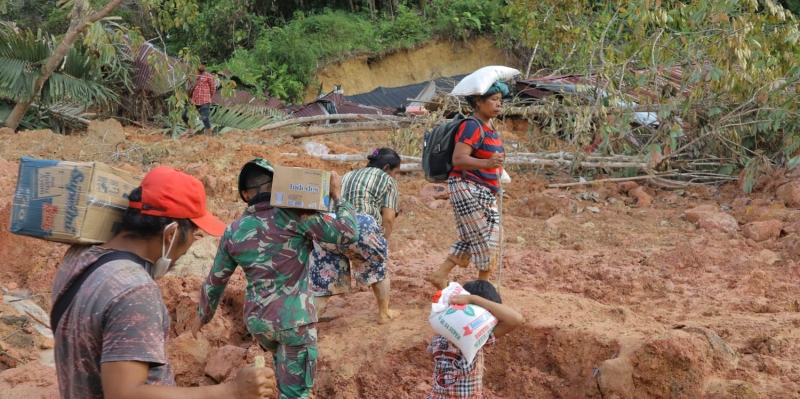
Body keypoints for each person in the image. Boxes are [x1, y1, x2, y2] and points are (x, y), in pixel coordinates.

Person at [51, 166, 274, 399]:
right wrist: (231, 391)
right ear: (172, 234)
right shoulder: (136, 292)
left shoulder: (79, 258)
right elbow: (123, 394)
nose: (189, 248)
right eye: (194, 235)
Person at [192, 158, 359, 399]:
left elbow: (216, 281)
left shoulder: (234, 230)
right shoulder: (297, 216)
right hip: (294, 322)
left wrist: (203, 316)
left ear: (245, 193)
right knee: (295, 394)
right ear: (279, 186)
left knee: (284, 381)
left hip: (260, 325)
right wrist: (338, 196)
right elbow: (348, 232)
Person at [426, 81, 508, 289]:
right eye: (494, 100)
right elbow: (459, 159)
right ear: (478, 102)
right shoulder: (471, 126)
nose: (499, 104)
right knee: (487, 235)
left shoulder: (490, 127)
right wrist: (487, 163)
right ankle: (484, 285)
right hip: (467, 187)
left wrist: (496, 169)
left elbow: (489, 158)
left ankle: (440, 274)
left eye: (500, 100)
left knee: (472, 235)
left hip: (482, 189)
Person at [310, 148, 401, 324]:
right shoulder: (387, 180)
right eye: (396, 172)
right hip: (361, 224)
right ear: (387, 167)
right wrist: (381, 242)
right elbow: (388, 219)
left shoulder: (347, 176)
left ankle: (308, 325)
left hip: (330, 227)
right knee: (378, 265)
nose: (395, 176)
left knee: (324, 281)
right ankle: (384, 313)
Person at [426, 280, 523, 399]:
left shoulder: (440, 336)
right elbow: (515, 319)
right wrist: (475, 299)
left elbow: (431, 356)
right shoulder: (476, 337)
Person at [182, 58, 216, 137]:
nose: (202, 66)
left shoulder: (208, 76)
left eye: (204, 65)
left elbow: (213, 88)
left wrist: (207, 96)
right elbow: (189, 86)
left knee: (204, 118)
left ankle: (209, 136)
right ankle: (190, 129)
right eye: (201, 64)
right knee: (184, 115)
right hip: (194, 100)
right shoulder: (192, 75)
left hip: (205, 100)